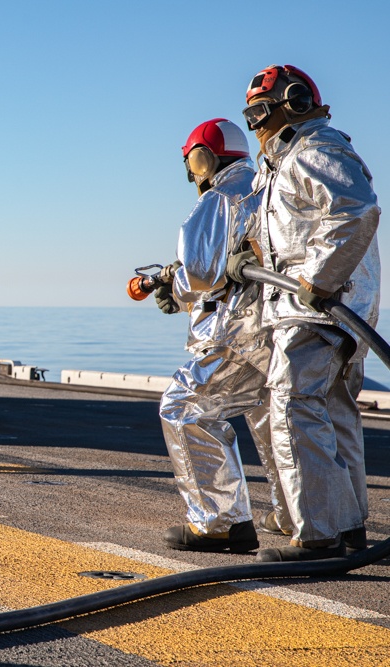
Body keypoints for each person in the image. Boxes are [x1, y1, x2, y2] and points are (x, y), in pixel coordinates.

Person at [228, 65, 380, 562]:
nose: (255, 126)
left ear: (291, 102)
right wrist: (250, 254)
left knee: (293, 407)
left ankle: (317, 535)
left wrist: (319, 279)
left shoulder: (316, 148)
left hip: (316, 308)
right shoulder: (288, 159)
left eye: (258, 112)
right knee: (333, 413)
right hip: (322, 307)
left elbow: (355, 210)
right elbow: (292, 226)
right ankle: (348, 526)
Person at [156, 118, 289, 553]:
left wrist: (172, 289)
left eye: (193, 164)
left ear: (203, 158)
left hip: (236, 332)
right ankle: (299, 517)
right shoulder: (268, 186)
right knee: (272, 415)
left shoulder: (220, 197)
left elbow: (199, 272)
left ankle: (220, 523)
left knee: (184, 406)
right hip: (281, 328)